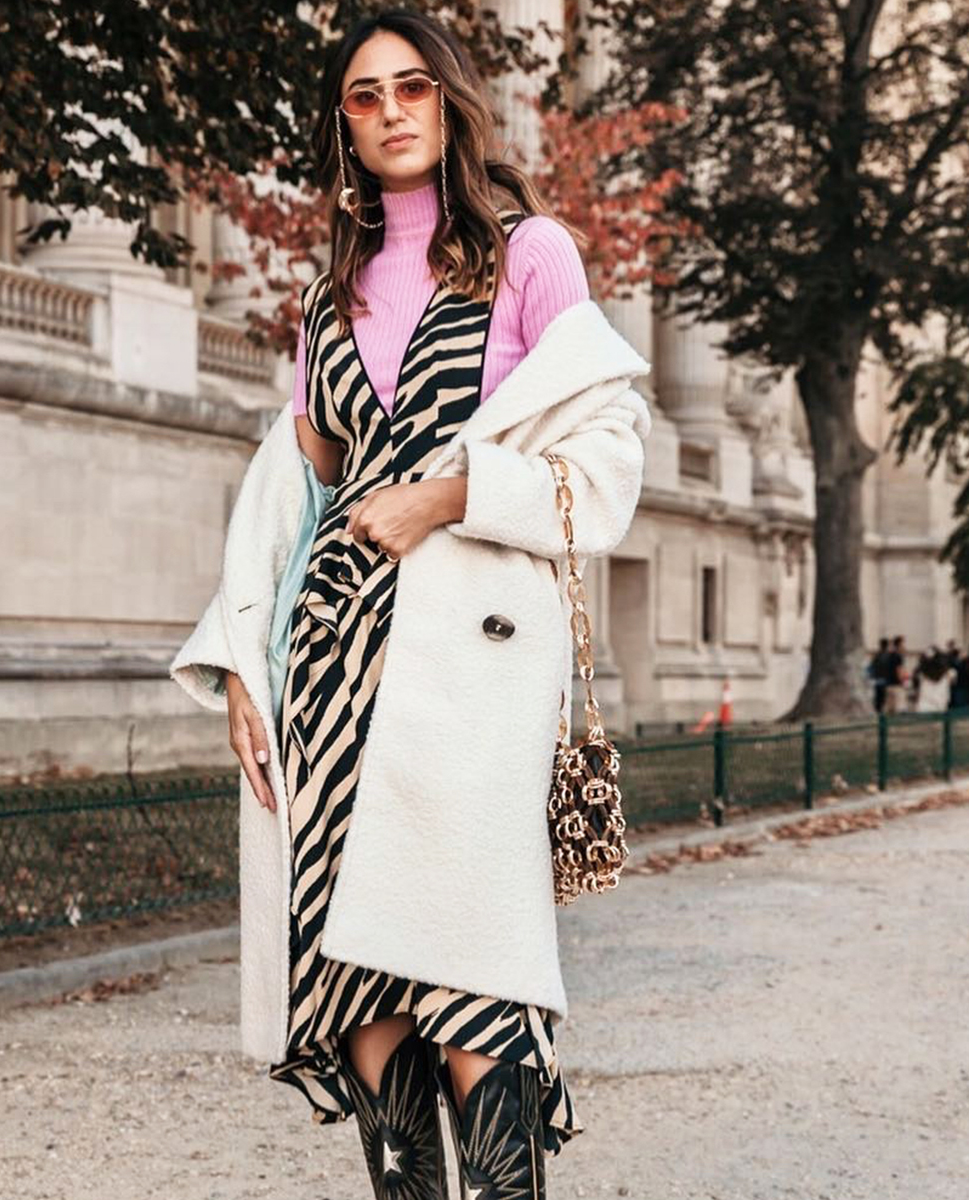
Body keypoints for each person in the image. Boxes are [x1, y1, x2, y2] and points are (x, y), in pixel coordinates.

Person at [169, 9, 652, 1197]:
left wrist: (449, 496)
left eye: (412, 87)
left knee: (476, 983)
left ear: (451, 101)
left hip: (471, 665)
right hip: (332, 662)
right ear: (344, 124)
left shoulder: (531, 255)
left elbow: (608, 462)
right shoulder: (328, 295)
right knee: (365, 997)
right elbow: (291, 487)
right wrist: (241, 661)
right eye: (365, 95)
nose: (390, 111)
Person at [868, 637, 890, 713]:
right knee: (882, 698)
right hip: (884, 679)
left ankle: (878, 711)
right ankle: (880, 712)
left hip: (877, 679)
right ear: (887, 645)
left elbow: (872, 666)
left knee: (878, 698)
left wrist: (872, 676)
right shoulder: (886, 655)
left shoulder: (877, 655)